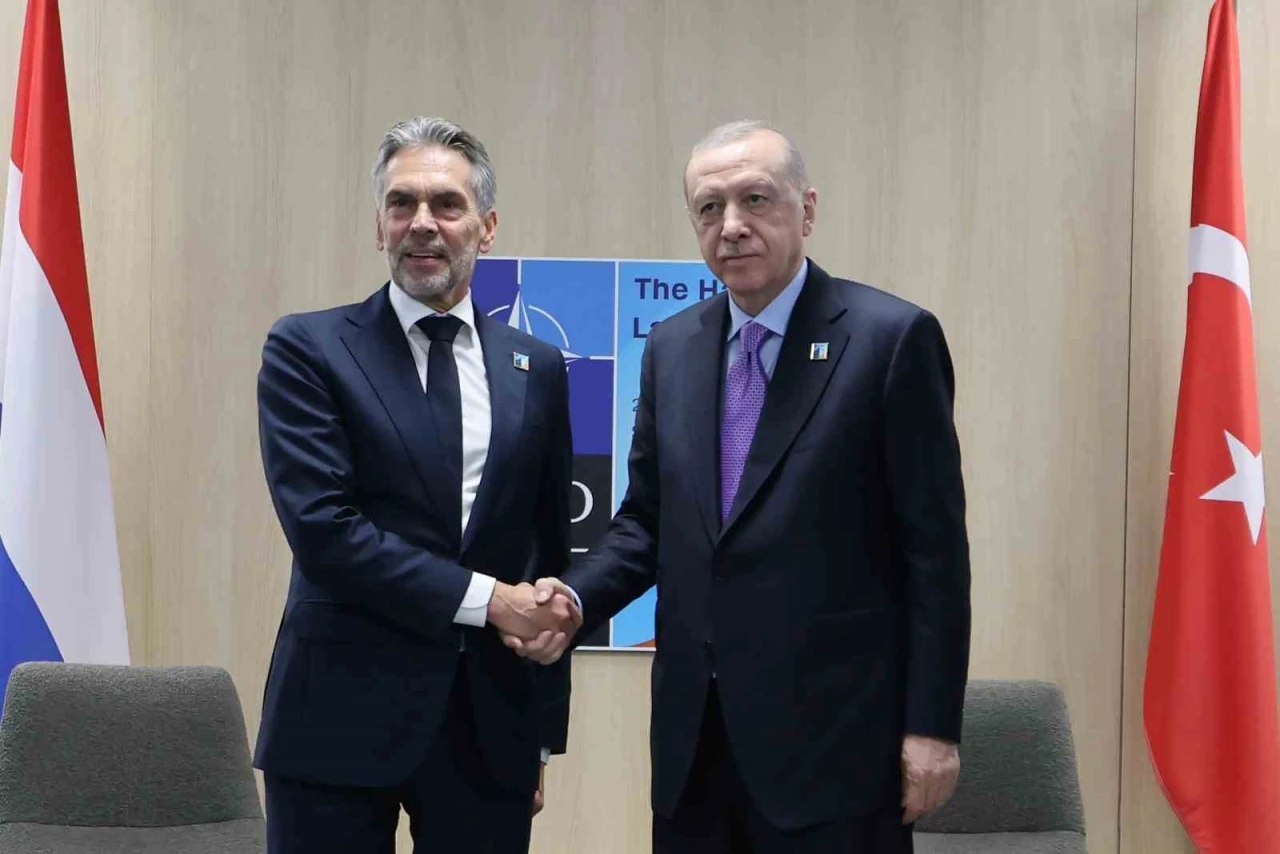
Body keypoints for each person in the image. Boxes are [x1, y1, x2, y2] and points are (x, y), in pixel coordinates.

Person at [512, 120, 971, 853]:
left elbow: (935, 556)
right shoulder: (672, 346)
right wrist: (574, 599)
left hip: (837, 749)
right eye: (709, 208)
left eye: (755, 199)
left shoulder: (890, 340)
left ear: (806, 210)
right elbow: (647, 522)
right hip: (695, 749)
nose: (731, 226)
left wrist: (932, 728)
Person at [254, 116, 580, 853]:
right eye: (402, 203)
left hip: (489, 726)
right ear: (380, 226)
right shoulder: (309, 348)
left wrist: (539, 734)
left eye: (447, 204)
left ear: (487, 228)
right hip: (335, 717)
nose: (422, 223)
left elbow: (545, 550)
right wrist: (489, 600)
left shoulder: (537, 367)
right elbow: (325, 532)